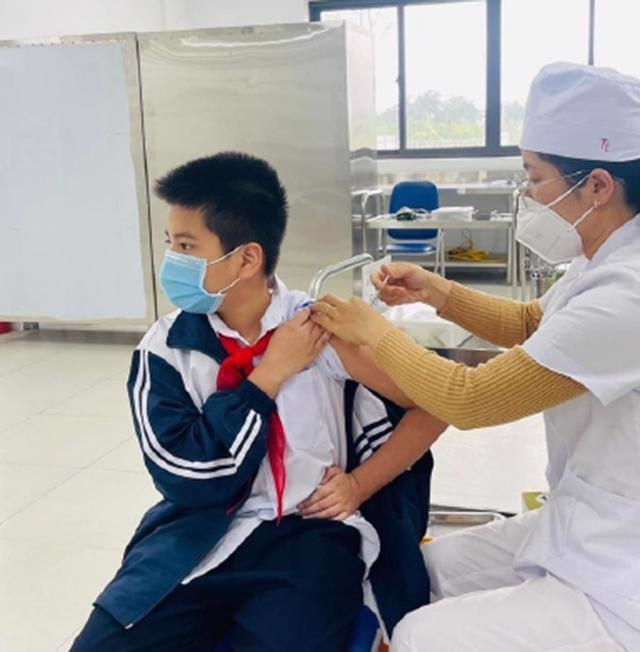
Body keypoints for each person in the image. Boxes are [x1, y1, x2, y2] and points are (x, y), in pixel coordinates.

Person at [310, 63, 640, 651]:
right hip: (598, 521)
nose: (527, 196)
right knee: (426, 573)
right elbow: (530, 325)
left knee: (420, 635)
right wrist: (436, 291)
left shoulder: (635, 296)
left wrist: (374, 334)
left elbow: (469, 401)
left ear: (598, 186)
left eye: (535, 177)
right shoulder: (604, 260)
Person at [70, 152, 445, 652]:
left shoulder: (324, 328)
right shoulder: (166, 351)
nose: (171, 261)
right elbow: (189, 479)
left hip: (309, 536)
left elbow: (436, 404)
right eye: (170, 243)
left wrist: (360, 484)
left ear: (247, 259)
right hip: (197, 534)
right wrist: (270, 374)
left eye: (186, 246)